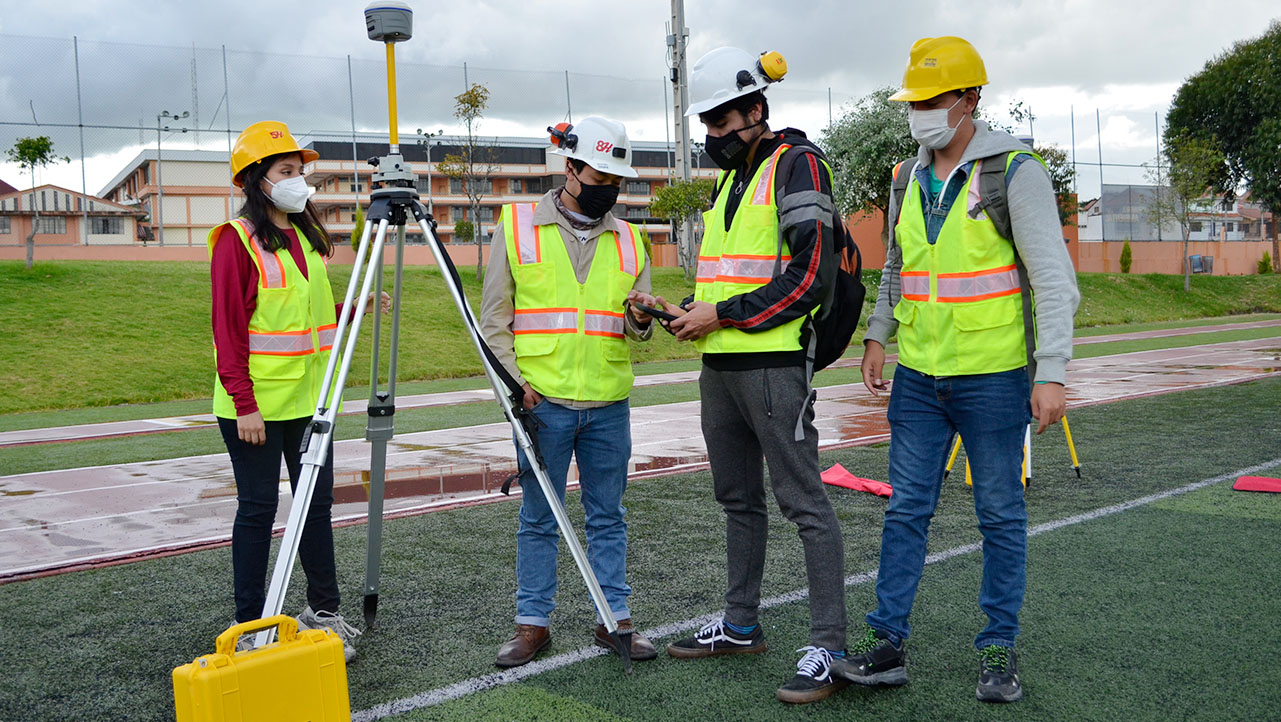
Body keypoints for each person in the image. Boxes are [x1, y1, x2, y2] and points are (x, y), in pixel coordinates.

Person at [832, 37, 1080, 703]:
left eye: (933, 99)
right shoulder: (904, 176)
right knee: (905, 510)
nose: (920, 112)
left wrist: (1050, 370)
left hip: (993, 377)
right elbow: (896, 266)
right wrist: (877, 334)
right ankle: (887, 643)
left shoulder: (1014, 170)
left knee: (999, 514)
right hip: (916, 376)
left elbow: (1053, 280)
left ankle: (998, 648)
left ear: (970, 98)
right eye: (914, 101)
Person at [658, 47, 848, 704]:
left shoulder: (798, 164)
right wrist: (684, 310)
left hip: (773, 369)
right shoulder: (730, 180)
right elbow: (728, 277)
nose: (713, 135)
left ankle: (828, 645)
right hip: (721, 368)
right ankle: (740, 625)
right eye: (705, 125)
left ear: (757, 110)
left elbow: (811, 275)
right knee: (737, 500)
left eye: (722, 122)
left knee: (804, 504)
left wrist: (721, 314)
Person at [480, 116, 659, 668]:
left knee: (609, 516)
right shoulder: (515, 226)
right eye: (599, 173)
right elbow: (493, 322)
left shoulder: (632, 238)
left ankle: (615, 621)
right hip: (543, 406)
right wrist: (518, 388)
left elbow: (639, 323)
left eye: (616, 178)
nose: (609, 185)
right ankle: (532, 625)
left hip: (609, 404)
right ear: (571, 168)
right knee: (540, 517)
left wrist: (642, 318)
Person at [211, 120, 386, 661]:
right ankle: (250, 625)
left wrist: (348, 311)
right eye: (286, 171)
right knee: (258, 511)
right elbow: (229, 331)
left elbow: (302, 322)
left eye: (300, 171)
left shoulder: (305, 241)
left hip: (312, 405)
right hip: (256, 410)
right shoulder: (236, 242)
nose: (298, 180)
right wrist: (246, 405)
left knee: (316, 509)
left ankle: (324, 614)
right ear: (256, 180)